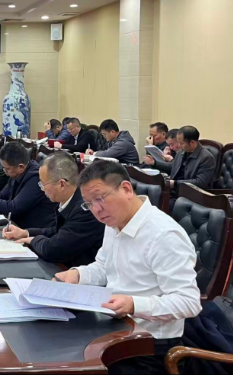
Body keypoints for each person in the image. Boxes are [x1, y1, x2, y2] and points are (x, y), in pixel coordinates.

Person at [53, 160, 201, 374]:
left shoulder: (163, 235)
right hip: (116, 326)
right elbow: (105, 266)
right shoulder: (113, 221)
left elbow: (189, 302)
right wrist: (77, 274)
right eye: (89, 204)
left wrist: (133, 304)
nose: (96, 210)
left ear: (126, 189)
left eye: (100, 199)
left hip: (150, 344)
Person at [2, 153, 103, 267]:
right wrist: (25, 233)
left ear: (61, 184)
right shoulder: (68, 199)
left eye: (43, 183)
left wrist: (32, 240)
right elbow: (58, 232)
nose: (42, 188)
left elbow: (55, 250)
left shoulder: (85, 208)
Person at [0, 142, 57, 231]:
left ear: (21, 167)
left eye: (7, 169)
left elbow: (13, 208)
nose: (5, 172)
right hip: (16, 226)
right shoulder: (16, 172)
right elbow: (3, 194)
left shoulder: (36, 178)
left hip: (34, 232)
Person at [149, 126, 217, 199]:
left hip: (192, 195)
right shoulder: (181, 152)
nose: (179, 145)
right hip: (174, 191)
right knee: (151, 192)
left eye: (181, 143)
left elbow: (200, 182)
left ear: (192, 142)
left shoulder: (206, 158)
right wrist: (155, 163)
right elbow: (173, 166)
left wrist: (174, 183)